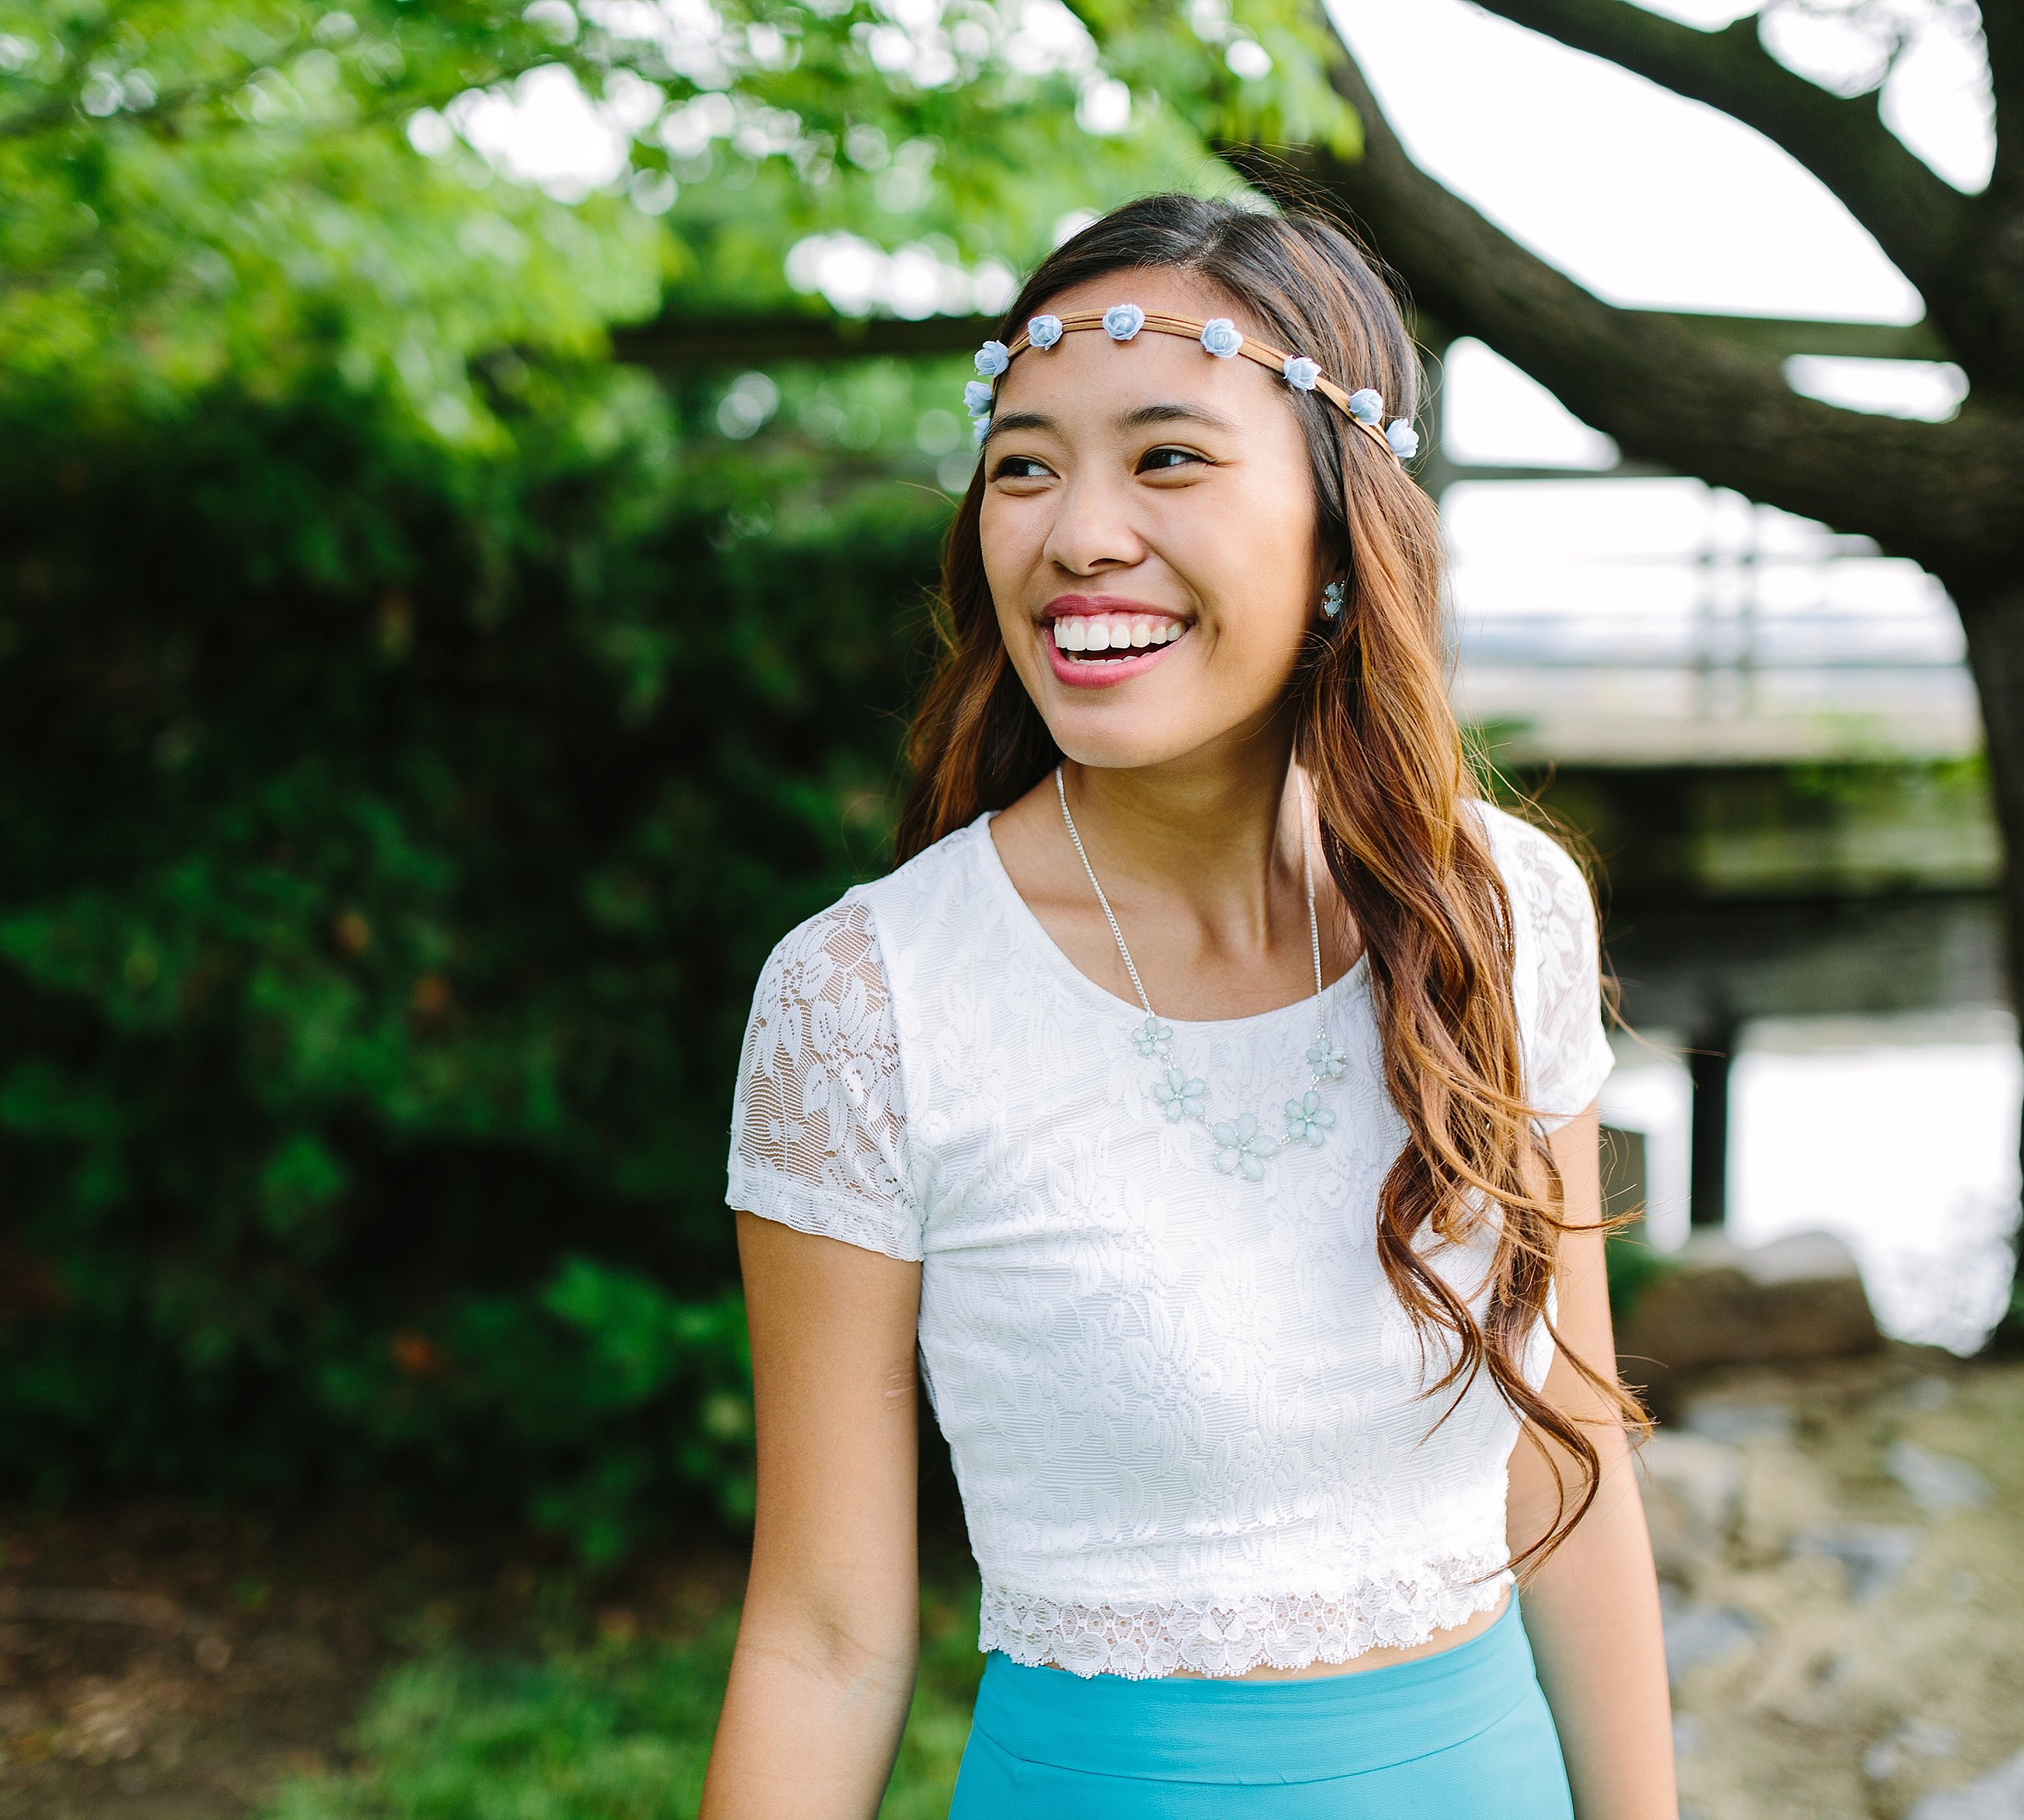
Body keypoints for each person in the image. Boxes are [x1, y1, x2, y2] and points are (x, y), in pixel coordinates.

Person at [700, 193, 1675, 1818]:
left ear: (1338, 527)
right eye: (1023, 463)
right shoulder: (865, 1000)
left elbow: (1568, 1457)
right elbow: (822, 1632)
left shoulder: (1500, 915)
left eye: (1165, 457)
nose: (1076, 531)